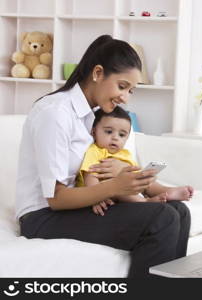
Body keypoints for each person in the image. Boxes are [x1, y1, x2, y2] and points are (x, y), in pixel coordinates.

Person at [15, 34, 192, 278]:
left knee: (179, 211)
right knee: (161, 218)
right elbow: (56, 199)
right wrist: (115, 187)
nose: (125, 98)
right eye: (122, 86)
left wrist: (120, 170)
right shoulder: (55, 113)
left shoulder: (95, 115)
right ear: (98, 73)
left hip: (79, 205)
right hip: (44, 215)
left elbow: (98, 165)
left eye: (131, 91)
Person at [76, 106, 194, 216]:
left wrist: (144, 176)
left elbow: (133, 174)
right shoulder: (95, 151)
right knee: (119, 188)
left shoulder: (124, 154)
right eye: (108, 132)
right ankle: (145, 202)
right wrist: (96, 197)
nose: (115, 137)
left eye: (121, 135)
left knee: (146, 181)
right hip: (107, 191)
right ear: (94, 131)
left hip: (127, 186)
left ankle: (167, 191)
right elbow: (90, 175)